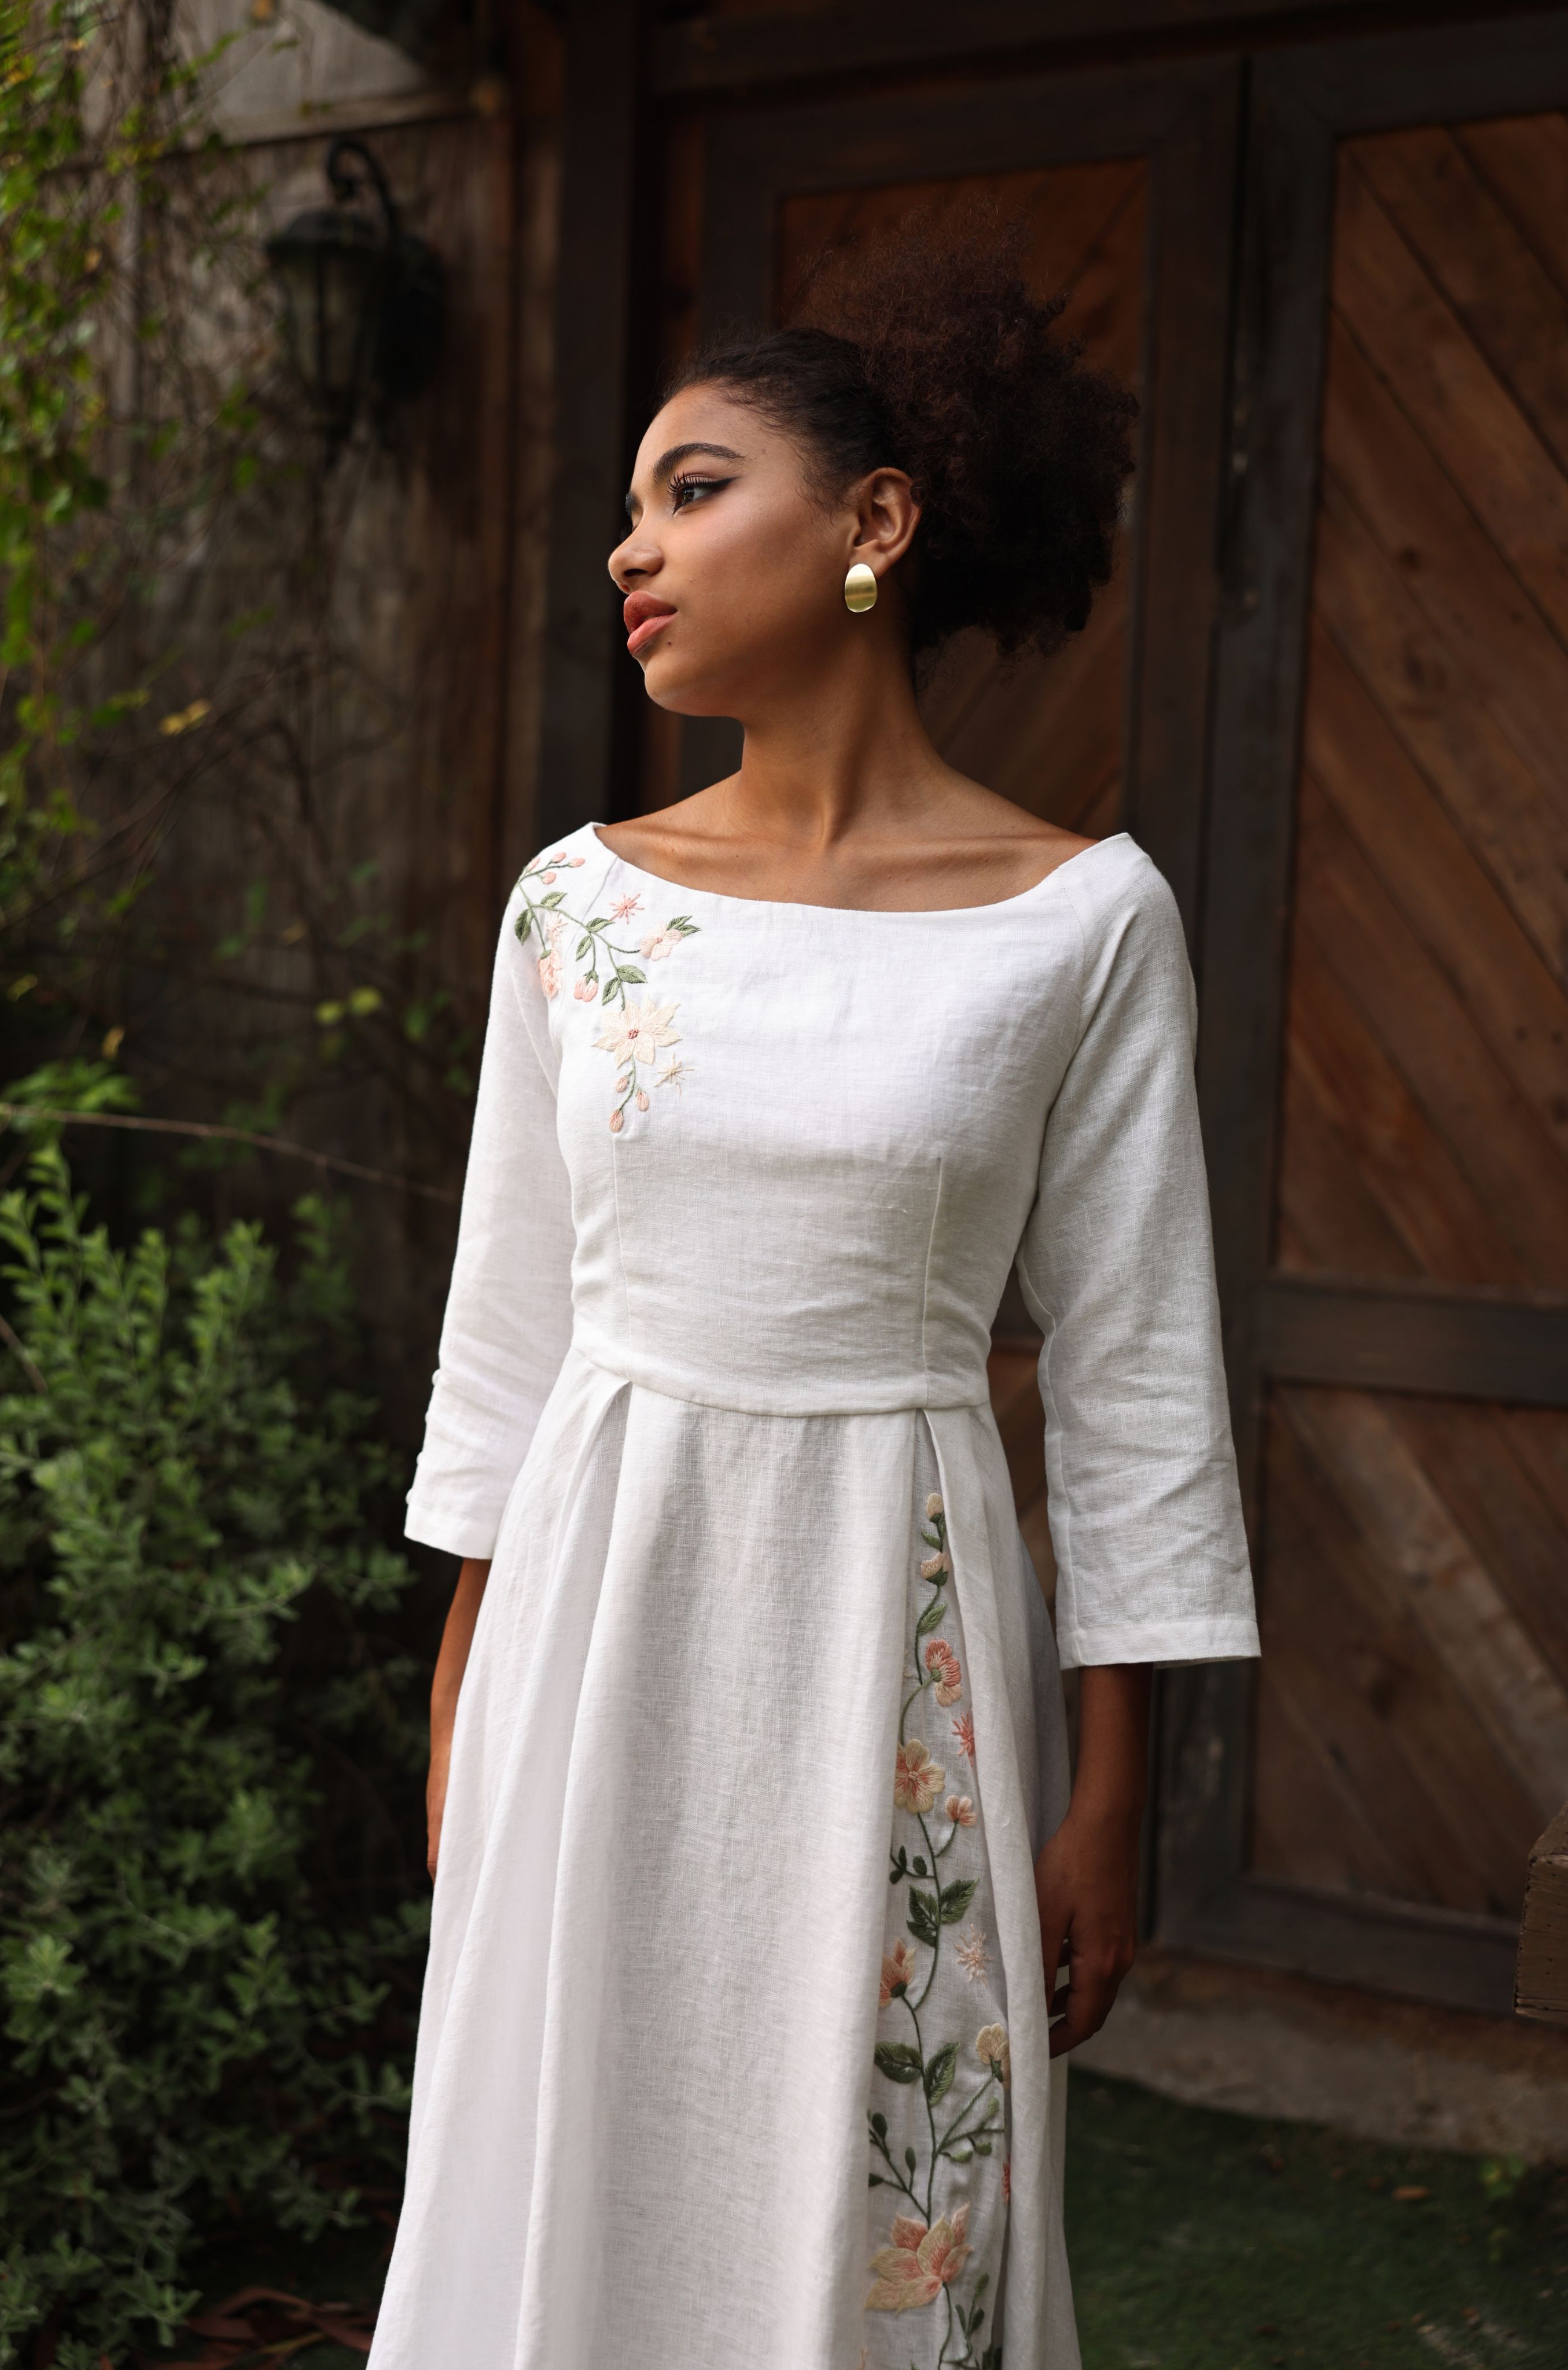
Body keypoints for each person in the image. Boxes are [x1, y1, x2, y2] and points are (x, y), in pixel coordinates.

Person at [367, 221, 1257, 2370]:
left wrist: (1108, 1796)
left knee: (884, 2187)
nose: (626, 551)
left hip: (902, 1615)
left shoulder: (1083, 924)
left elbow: (1138, 1377)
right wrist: (460, 1691)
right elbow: (509, 1336)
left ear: (871, 521)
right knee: (573, 2141)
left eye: (691, 488)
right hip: (594, 1608)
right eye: (631, 505)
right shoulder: (576, 909)